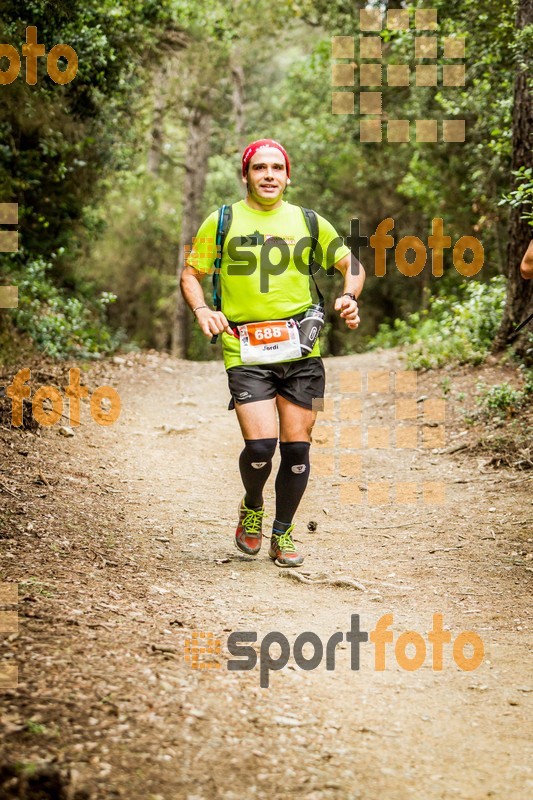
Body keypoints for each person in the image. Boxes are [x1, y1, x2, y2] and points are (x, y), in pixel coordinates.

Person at [180, 138, 365, 567]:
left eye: (276, 168)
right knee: (261, 446)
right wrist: (203, 309)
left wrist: (350, 296)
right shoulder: (222, 220)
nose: (268, 175)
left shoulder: (308, 221)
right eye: (259, 168)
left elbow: (350, 264)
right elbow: (191, 274)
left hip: (303, 349)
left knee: (298, 449)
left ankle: (282, 532)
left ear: (287, 176)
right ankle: (251, 505)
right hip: (244, 350)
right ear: (245, 175)